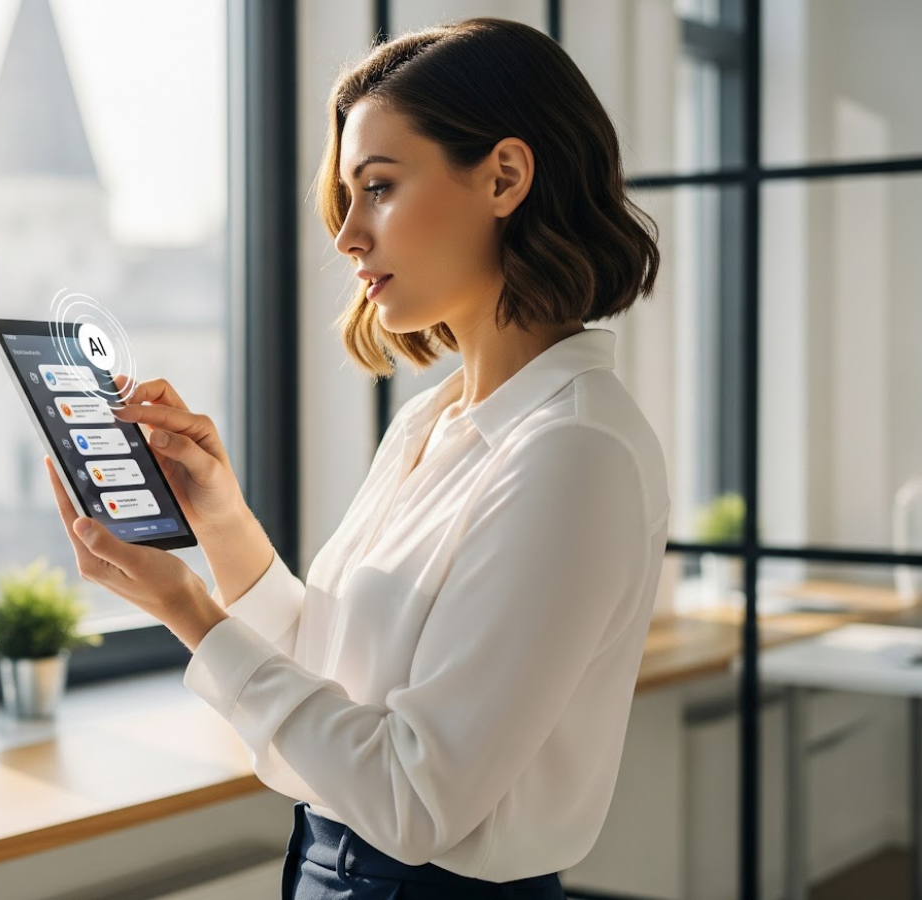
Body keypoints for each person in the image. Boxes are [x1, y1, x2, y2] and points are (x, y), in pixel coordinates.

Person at [43, 16, 667, 900]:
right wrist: (222, 521)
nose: (348, 237)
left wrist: (188, 612)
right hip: (329, 863)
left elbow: (414, 800)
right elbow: (334, 675)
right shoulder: (433, 424)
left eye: (378, 187)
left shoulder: (573, 453)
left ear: (505, 176)